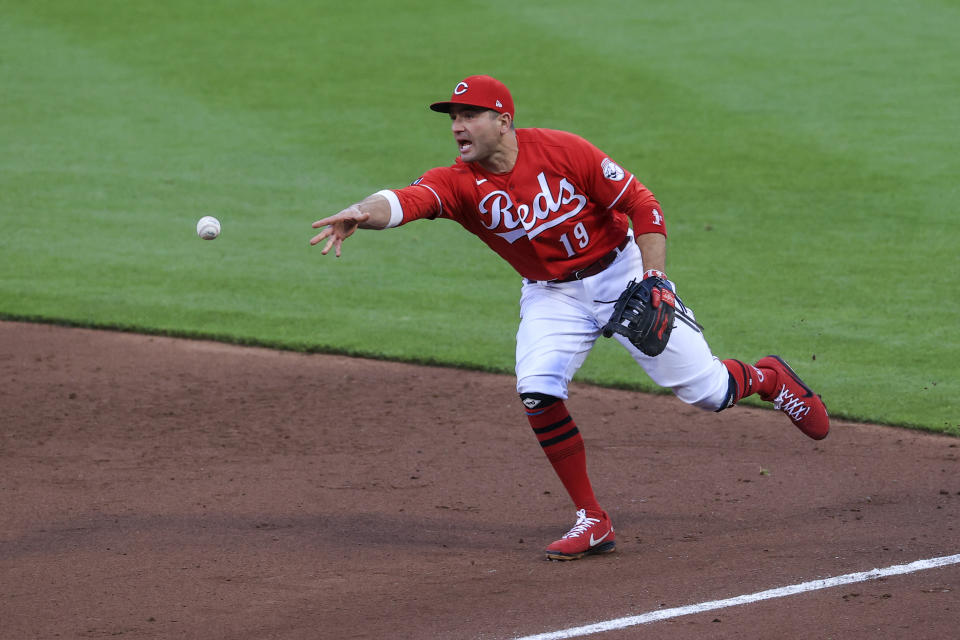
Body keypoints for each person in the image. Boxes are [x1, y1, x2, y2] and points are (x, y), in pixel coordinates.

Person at [309, 75, 829, 561]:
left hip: (621, 273)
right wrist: (361, 211)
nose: (457, 127)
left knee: (709, 393)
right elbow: (405, 199)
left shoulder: (563, 151)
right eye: (453, 117)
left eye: (470, 115)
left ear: (503, 121)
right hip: (551, 295)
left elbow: (643, 205)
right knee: (537, 387)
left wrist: (655, 280)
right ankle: (592, 517)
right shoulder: (459, 182)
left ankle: (768, 377)